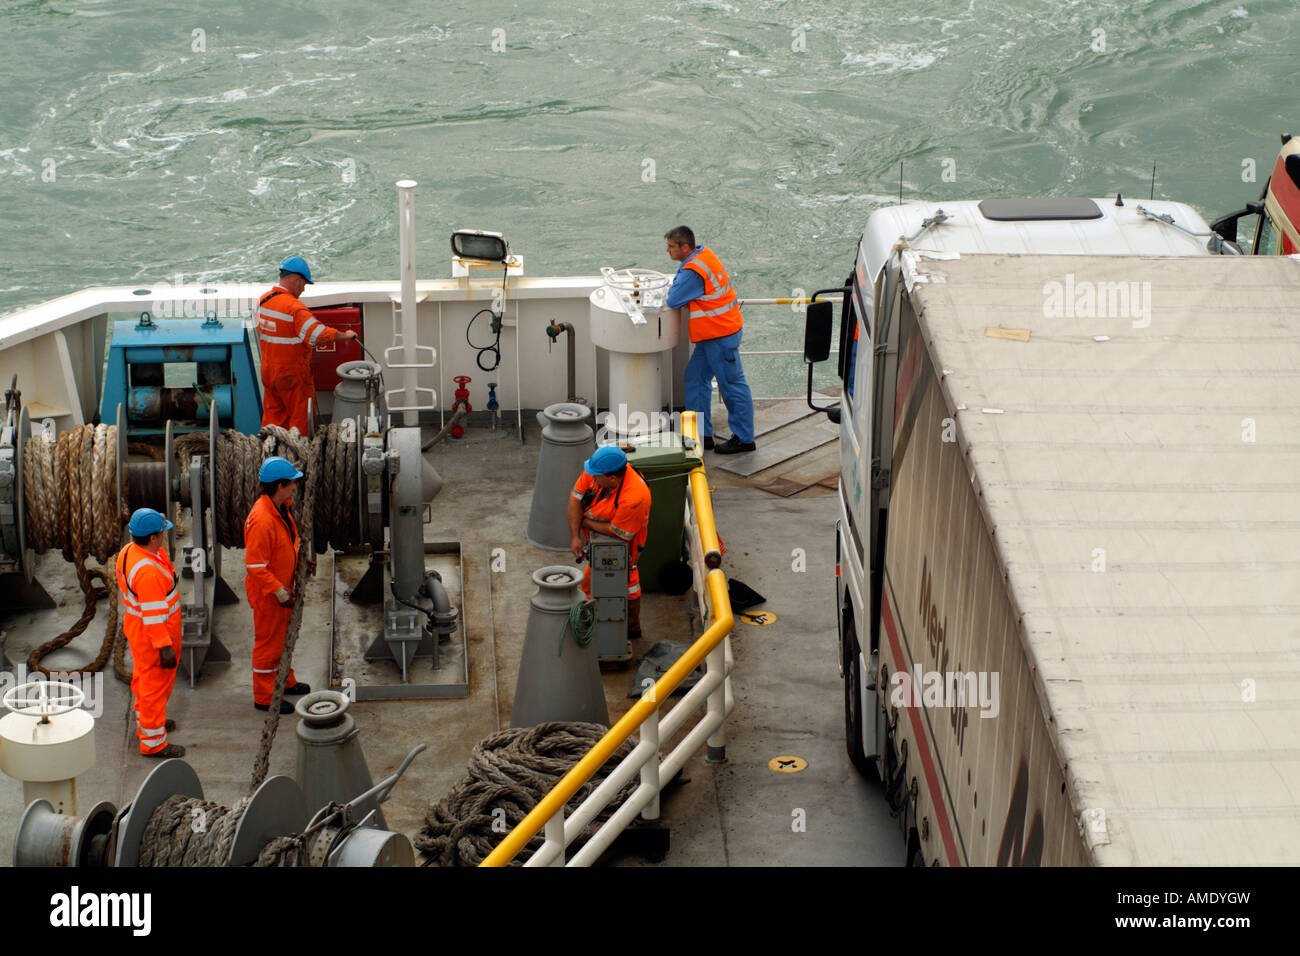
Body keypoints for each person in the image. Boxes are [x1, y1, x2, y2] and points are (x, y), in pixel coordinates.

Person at [664, 226, 756, 454]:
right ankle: (702, 436)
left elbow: (674, 299)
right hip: (714, 334)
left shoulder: (693, 270)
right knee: (695, 379)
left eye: (671, 246)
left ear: (685, 247)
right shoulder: (703, 255)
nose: (667, 250)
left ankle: (745, 439)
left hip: (720, 335)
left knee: (732, 385)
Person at [256, 256, 357, 436]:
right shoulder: (294, 308)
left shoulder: (263, 302)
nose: (303, 290)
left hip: (269, 372)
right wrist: (345, 335)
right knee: (299, 421)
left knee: (274, 419)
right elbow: (318, 335)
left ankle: (271, 456)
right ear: (297, 280)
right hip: (292, 376)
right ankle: (298, 459)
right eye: (304, 285)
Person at [244, 456, 312, 713]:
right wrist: (280, 591)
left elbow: (286, 545)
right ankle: (264, 696)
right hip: (269, 594)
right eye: (291, 483)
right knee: (268, 644)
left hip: (281, 588)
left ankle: (284, 680)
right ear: (279, 485)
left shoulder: (280, 509)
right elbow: (255, 566)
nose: (295, 487)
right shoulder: (262, 520)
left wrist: (301, 564)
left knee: (283, 638)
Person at [116, 508, 185, 758]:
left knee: (143, 681)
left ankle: (147, 721)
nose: (164, 538)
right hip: (155, 637)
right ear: (154, 538)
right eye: (162, 534)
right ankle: (154, 742)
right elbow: (154, 615)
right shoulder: (148, 572)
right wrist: (165, 648)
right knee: (155, 686)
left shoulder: (128, 552)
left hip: (138, 631)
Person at [568, 445, 651, 641]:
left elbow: (619, 533)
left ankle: (630, 628)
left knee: (628, 582)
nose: (591, 479)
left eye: (596, 477)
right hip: (597, 538)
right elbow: (574, 502)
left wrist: (586, 522)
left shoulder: (635, 497)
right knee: (591, 579)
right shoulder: (596, 470)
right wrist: (575, 536)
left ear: (612, 479)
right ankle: (594, 619)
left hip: (626, 542)